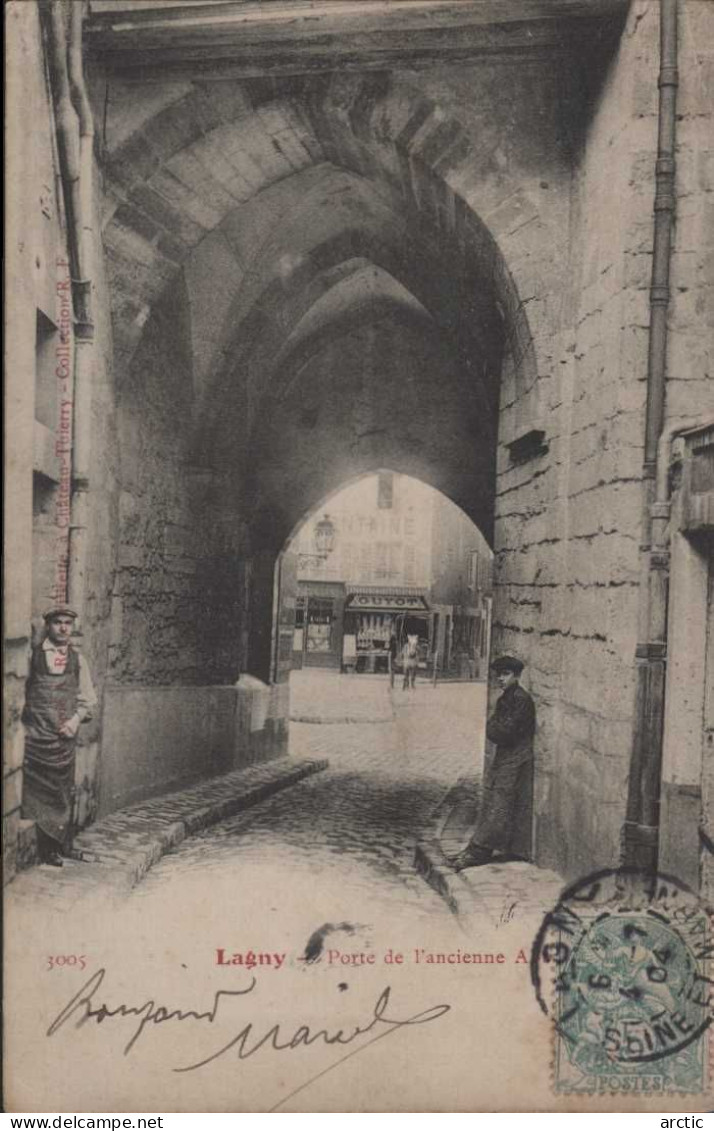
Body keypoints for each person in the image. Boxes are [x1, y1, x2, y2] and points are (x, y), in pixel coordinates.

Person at [22, 605, 97, 866]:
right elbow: (20, 695)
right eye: (58, 623)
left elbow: (87, 700)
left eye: (68, 623)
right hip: (35, 740)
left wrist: (74, 722)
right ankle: (44, 849)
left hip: (62, 742)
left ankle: (61, 845)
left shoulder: (78, 661)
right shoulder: (33, 657)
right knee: (34, 795)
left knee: (62, 794)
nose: (63, 628)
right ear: (49, 626)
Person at [448, 655, 535, 870]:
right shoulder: (505, 699)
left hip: (516, 758)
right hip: (504, 756)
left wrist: (495, 729)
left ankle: (480, 851)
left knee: (500, 803)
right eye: (499, 675)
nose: (500, 679)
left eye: (505, 675)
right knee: (492, 801)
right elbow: (493, 727)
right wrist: (495, 729)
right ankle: (476, 847)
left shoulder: (522, 700)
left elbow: (504, 731)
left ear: (516, 676)